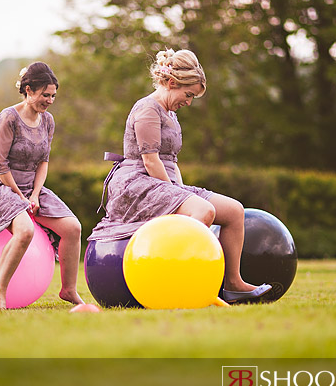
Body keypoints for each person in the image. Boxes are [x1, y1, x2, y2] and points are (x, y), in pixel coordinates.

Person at [88, 48, 271, 303]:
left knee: (234, 211)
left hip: (164, 180)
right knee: (203, 211)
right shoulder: (147, 109)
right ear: (172, 83)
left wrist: (182, 190)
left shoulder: (170, 114)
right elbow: (151, 161)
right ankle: (186, 278)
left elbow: (170, 162)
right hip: (138, 183)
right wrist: (179, 195)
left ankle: (233, 283)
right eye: (188, 94)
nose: (189, 101)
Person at [0, 62, 85, 310]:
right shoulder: (8, 118)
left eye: (53, 95)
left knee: (73, 227)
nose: (50, 100)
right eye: (45, 95)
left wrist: (36, 194)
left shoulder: (48, 121)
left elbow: (43, 161)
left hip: (31, 187)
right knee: (25, 231)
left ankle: (68, 290)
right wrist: (21, 197)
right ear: (29, 90)